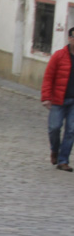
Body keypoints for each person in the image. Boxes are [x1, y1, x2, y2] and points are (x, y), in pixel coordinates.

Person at [42, 27, 74, 172]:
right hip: (58, 99)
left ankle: (63, 160)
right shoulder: (59, 56)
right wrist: (46, 97)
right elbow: (48, 77)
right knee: (54, 128)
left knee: (71, 130)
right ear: (69, 38)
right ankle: (55, 149)